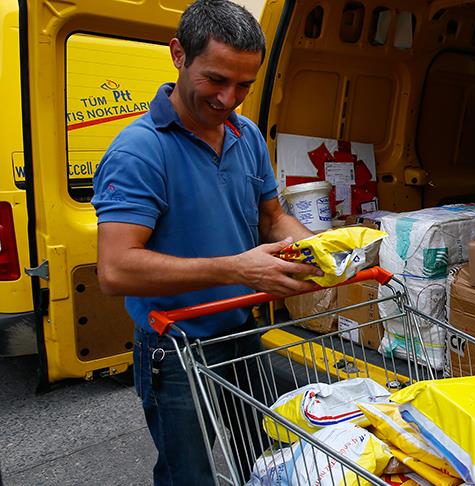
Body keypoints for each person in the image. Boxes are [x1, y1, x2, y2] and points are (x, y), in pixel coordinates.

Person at [91, 1, 321, 483]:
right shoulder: (139, 151)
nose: (228, 98)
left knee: (265, 462)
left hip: (241, 333)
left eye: (244, 85)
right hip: (175, 349)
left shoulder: (246, 134)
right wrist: (238, 268)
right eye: (216, 79)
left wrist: (322, 251)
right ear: (178, 54)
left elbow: (273, 218)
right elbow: (115, 270)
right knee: (189, 475)